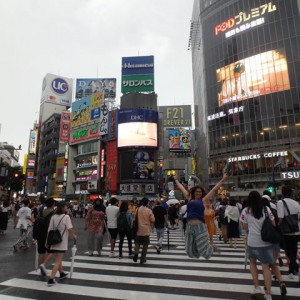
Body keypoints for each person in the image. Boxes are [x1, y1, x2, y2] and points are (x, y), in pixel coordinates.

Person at [240, 191, 286, 299]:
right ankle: (268, 294)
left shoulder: (245, 211)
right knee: (266, 266)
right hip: (266, 242)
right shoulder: (266, 209)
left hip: (252, 241)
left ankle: (257, 287)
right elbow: (273, 224)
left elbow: (244, 227)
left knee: (252, 263)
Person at [174, 172, 228, 259]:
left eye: (200, 192)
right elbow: (181, 188)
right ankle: (205, 249)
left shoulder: (203, 200)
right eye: (197, 191)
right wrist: (176, 180)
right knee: (189, 252)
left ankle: (211, 248)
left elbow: (214, 189)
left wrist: (223, 179)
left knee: (205, 254)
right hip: (189, 226)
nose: (198, 193)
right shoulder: (189, 198)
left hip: (200, 226)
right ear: (194, 192)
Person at [42, 201, 77, 286]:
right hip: (61, 241)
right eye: (65, 206)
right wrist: (74, 236)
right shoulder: (66, 217)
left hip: (53, 241)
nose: (67, 208)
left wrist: (47, 241)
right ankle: (51, 279)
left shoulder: (53, 217)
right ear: (62, 207)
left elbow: (49, 230)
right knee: (58, 261)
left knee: (58, 258)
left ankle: (61, 273)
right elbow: (69, 228)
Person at [277, 186, 300, 279]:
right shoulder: (296, 203)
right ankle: (292, 270)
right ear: (291, 193)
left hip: (286, 231)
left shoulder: (280, 202)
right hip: (296, 230)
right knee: (294, 250)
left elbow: (281, 217)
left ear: (282, 193)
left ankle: (295, 266)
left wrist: (277, 225)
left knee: (287, 250)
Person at [34, 197, 55, 272]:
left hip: (40, 233)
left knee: (41, 252)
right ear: (53, 204)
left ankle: (41, 269)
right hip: (48, 234)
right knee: (51, 252)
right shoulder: (53, 213)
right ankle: (44, 265)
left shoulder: (41, 211)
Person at [132, 197, 155, 264]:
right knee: (145, 245)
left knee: (137, 242)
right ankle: (142, 258)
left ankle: (136, 252)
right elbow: (153, 220)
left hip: (138, 229)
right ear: (147, 203)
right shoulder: (149, 210)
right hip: (146, 230)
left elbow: (134, 218)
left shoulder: (137, 209)